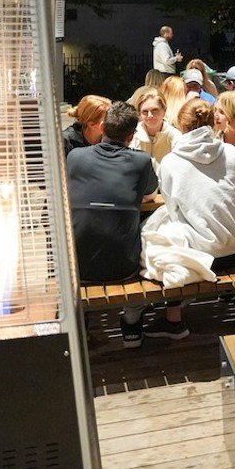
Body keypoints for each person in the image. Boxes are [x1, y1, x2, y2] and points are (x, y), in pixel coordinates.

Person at [141, 99, 235, 339]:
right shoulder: (230, 153)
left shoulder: (171, 162)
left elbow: (172, 208)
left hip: (203, 257)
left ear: (181, 125)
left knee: (160, 228)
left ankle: (174, 319)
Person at [66, 101, 158, 348]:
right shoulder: (141, 162)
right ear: (131, 136)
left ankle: (81, 327)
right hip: (122, 266)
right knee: (150, 231)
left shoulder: (75, 157)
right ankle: (131, 323)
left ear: (104, 126)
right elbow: (150, 193)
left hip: (78, 265)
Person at [128, 86, 180, 170]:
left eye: (155, 110)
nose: (150, 115)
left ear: (164, 110)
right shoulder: (132, 135)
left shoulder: (176, 137)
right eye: (145, 111)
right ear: (139, 113)